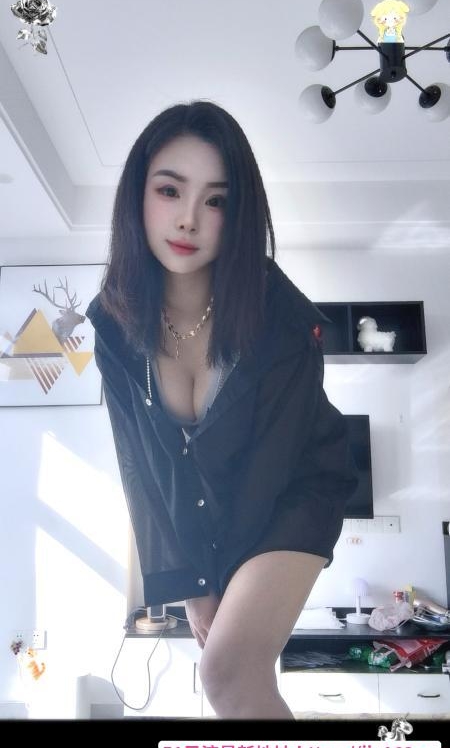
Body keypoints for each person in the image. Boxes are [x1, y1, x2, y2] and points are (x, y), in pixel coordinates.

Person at [86, 100, 358, 720]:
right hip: (215, 510)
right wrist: (189, 585)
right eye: (169, 190)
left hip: (295, 492)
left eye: (216, 201)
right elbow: (142, 467)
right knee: (228, 673)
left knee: (226, 670)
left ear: (239, 217)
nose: (188, 218)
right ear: (137, 196)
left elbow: (275, 463)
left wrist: (218, 581)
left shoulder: (280, 316)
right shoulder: (114, 323)